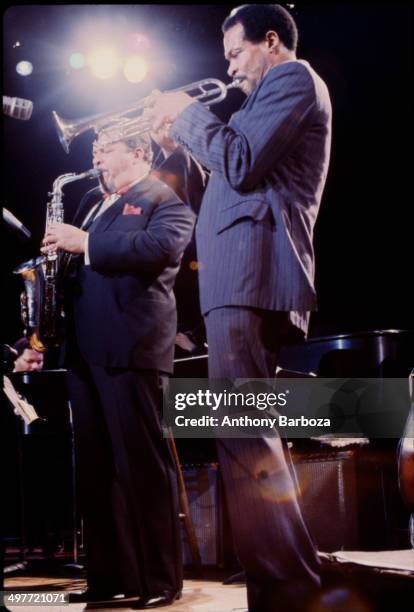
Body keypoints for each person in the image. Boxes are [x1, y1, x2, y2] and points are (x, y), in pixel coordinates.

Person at [149, 4, 332, 611]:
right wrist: (179, 143)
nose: (229, 69)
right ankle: (281, 585)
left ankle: (291, 587)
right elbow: (226, 178)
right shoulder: (257, 103)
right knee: (240, 433)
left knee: (245, 433)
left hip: (254, 274)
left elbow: (241, 162)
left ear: (270, 42)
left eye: (235, 53)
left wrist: (189, 112)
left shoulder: (293, 77)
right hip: (234, 275)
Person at [41, 129, 195, 607]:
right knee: (96, 471)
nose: (96, 156)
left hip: (132, 348)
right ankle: (109, 577)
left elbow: (157, 249)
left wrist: (82, 242)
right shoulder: (94, 201)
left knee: (142, 467)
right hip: (85, 351)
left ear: (139, 153)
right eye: (95, 149)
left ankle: (160, 581)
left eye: (106, 148)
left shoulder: (165, 199)